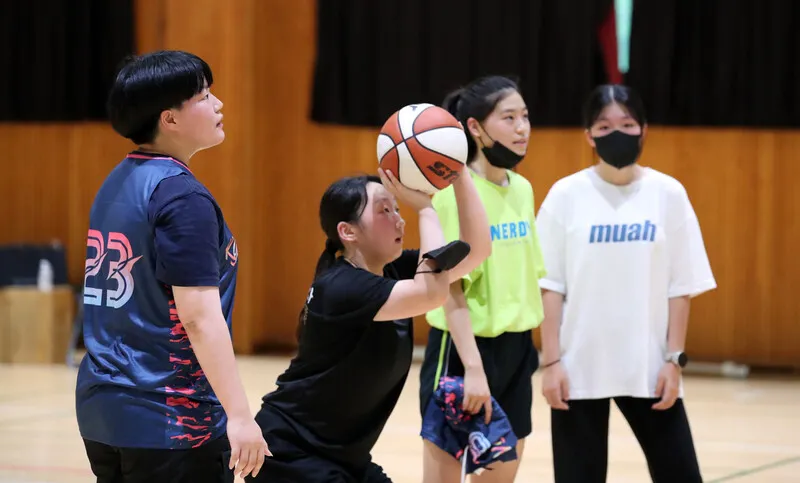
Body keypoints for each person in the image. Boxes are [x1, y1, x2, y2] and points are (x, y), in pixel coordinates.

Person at [75, 50, 269, 483]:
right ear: (170, 119)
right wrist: (240, 416)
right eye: (204, 96)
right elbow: (198, 317)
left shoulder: (116, 182)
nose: (218, 103)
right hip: (170, 419)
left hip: (102, 411)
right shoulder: (181, 197)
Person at [245, 165, 492, 483]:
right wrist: (426, 209)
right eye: (384, 210)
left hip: (345, 457)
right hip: (292, 454)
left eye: (397, 208)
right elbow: (431, 294)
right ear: (348, 232)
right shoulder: (340, 286)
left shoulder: (392, 270)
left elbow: (477, 250)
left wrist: (460, 173)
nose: (399, 219)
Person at [535, 84, 717, 483]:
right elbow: (550, 286)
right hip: (577, 371)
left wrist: (674, 360)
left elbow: (681, 286)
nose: (616, 133)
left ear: (644, 130)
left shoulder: (668, 193)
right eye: (604, 126)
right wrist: (551, 363)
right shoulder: (565, 195)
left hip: (650, 369)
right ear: (589, 136)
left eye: (627, 124)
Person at [417, 76, 546, 482]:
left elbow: (530, 278)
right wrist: (473, 368)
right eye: (509, 118)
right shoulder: (453, 194)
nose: (522, 128)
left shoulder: (522, 189)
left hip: (516, 351)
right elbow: (449, 288)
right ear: (474, 127)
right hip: (462, 353)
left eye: (525, 116)